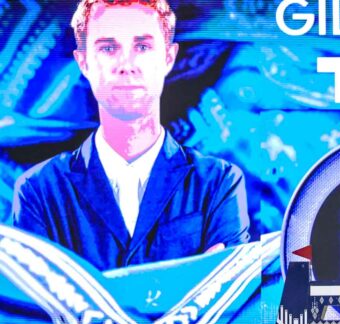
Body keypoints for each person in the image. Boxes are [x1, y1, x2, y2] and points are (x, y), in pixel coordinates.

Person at [11, 0, 249, 271]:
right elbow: (35, 307)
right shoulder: (39, 191)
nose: (126, 65)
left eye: (143, 47)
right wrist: (188, 283)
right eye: (108, 48)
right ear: (84, 62)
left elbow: (233, 303)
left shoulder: (217, 183)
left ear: (168, 58)